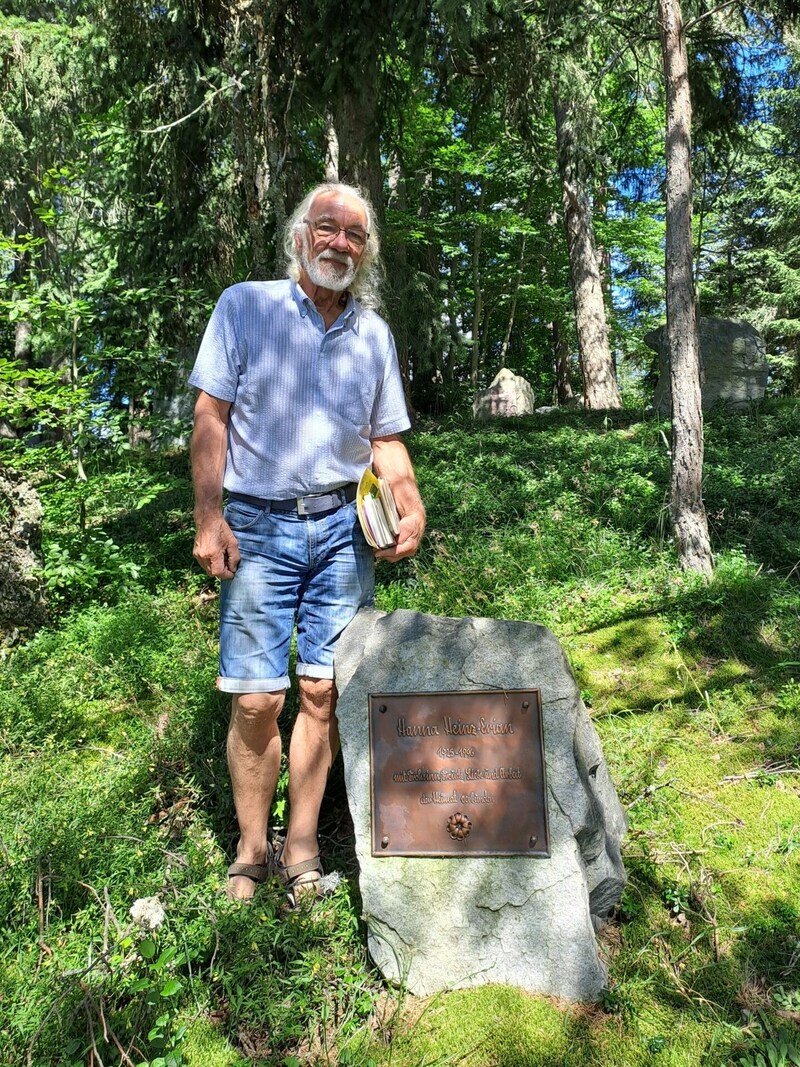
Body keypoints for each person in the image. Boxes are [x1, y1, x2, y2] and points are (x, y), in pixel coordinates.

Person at [189, 182, 425, 903]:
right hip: (256, 526)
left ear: (367, 252)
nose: (340, 244)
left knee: (322, 691)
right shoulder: (245, 307)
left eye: (355, 235)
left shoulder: (374, 336)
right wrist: (208, 516)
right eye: (328, 228)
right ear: (300, 237)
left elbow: (384, 439)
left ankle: (300, 852)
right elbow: (210, 415)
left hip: (342, 531)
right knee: (257, 698)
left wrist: (408, 506)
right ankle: (250, 847)